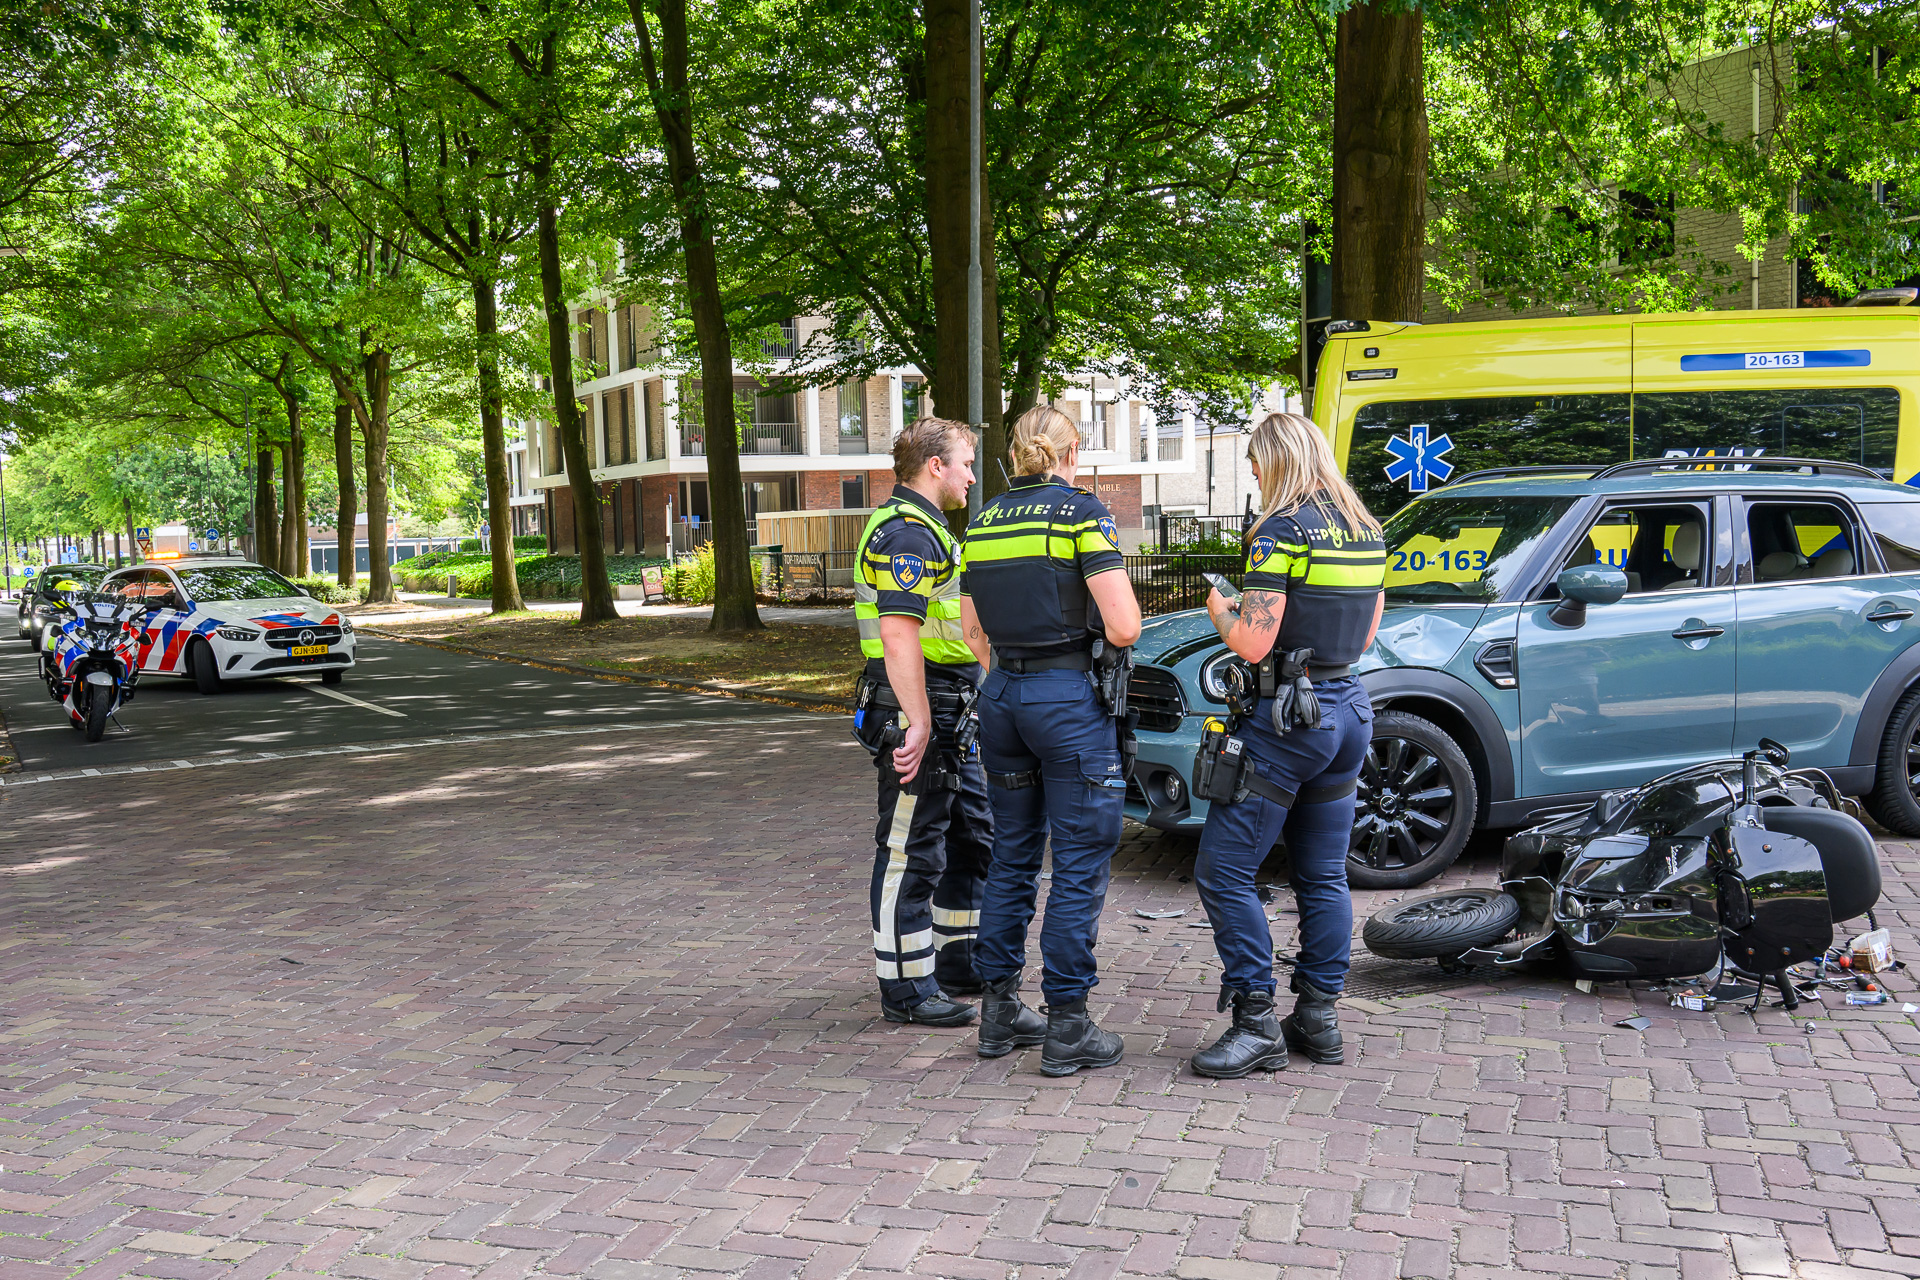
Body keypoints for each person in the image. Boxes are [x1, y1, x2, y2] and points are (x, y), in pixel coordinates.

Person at [1189, 411, 1386, 1078]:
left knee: (1223, 871)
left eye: (1254, 460)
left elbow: (1252, 642)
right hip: (1348, 710)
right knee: (1323, 875)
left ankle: (1255, 1023)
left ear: (1275, 461)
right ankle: (1319, 1018)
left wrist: (1218, 603)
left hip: (1287, 722)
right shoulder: (1365, 529)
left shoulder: (1280, 531)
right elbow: (1363, 637)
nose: (1250, 471)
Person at [960, 405, 1143, 1075]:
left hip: (1003, 696)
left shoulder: (981, 521)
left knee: (1012, 854)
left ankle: (999, 1011)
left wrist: (1009, 678)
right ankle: (1068, 1023)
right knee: (1079, 860)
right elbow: (1123, 627)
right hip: (1066, 702)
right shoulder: (1080, 514)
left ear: (1016, 453)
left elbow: (971, 630)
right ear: (1072, 455)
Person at [854, 416, 995, 1026]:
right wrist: (917, 721)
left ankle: (960, 962)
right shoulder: (909, 534)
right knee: (911, 849)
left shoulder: (930, 529)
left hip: (949, 705)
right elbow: (898, 632)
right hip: (922, 703)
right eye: (965, 462)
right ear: (934, 466)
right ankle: (906, 988)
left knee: (971, 838)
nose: (970, 474)